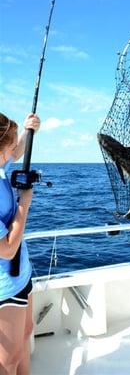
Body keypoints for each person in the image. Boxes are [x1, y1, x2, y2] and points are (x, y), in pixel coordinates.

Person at [0, 112, 40, 374]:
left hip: (20, 275)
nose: (16, 146)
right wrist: (24, 202)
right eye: (12, 141)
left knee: (26, 333)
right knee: (8, 360)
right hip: (4, 286)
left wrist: (28, 130)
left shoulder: (1, 168)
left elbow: (17, 151)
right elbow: (6, 249)